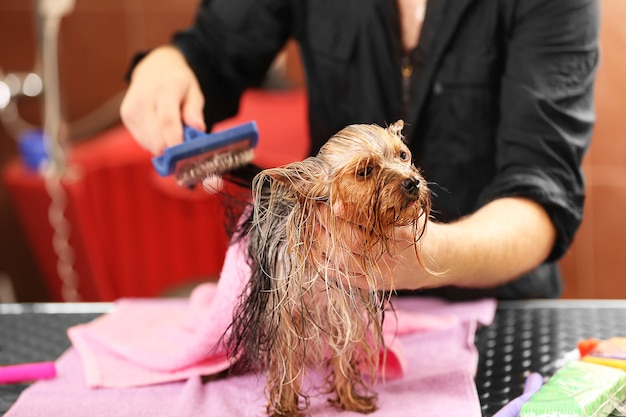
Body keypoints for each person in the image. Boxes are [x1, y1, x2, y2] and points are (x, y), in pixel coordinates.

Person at [120, 0, 600, 300]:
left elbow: (543, 187)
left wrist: (429, 255)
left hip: (496, 303)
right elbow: (211, 50)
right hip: (333, 293)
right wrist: (171, 65)